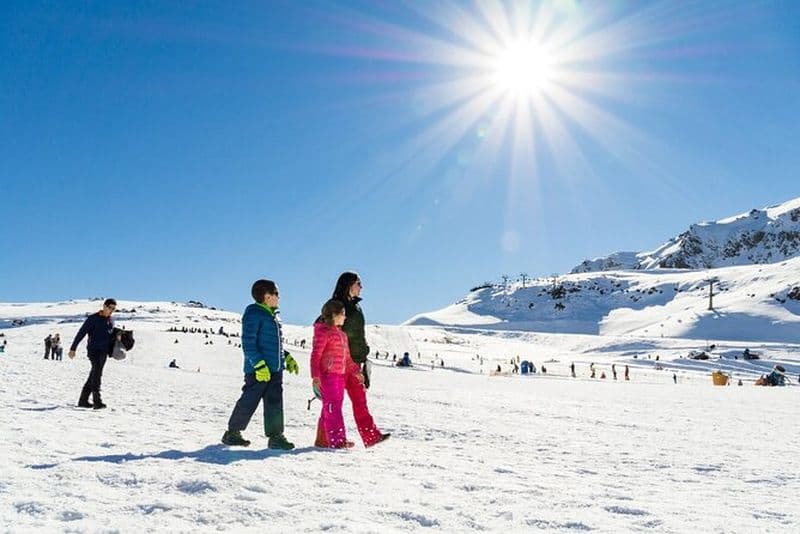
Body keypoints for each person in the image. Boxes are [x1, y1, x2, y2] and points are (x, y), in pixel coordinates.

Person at [222, 280, 299, 449]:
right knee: (249, 400)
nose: (279, 297)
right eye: (276, 294)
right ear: (267, 296)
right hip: (258, 370)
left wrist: (286, 357)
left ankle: (276, 436)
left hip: (275, 369)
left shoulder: (274, 315)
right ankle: (232, 433)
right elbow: (248, 342)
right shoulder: (254, 314)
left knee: (275, 403)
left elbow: (273, 344)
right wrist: (258, 364)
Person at [324, 271, 389, 448]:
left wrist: (364, 353)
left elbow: (358, 334)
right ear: (349, 285)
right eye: (358, 283)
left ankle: (371, 436)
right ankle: (323, 439)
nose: (361, 287)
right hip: (339, 363)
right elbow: (323, 326)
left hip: (355, 363)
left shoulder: (357, 308)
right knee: (333, 404)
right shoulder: (336, 305)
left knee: (360, 400)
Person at [310, 299, 358, 449]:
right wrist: (315, 376)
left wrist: (356, 370)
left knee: (329, 407)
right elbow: (316, 355)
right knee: (333, 408)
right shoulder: (323, 332)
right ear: (333, 315)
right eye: (342, 314)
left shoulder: (342, 335)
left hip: (339, 376)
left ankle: (322, 440)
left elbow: (348, 358)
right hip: (327, 376)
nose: (345, 317)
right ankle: (337, 440)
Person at [68, 299, 118, 409]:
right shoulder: (92, 319)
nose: (111, 310)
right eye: (110, 307)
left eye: (114, 309)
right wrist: (73, 348)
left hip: (104, 351)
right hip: (94, 351)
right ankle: (97, 401)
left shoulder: (110, 320)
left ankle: (83, 400)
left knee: (94, 374)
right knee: (97, 374)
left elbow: (109, 335)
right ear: (104, 306)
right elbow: (81, 333)